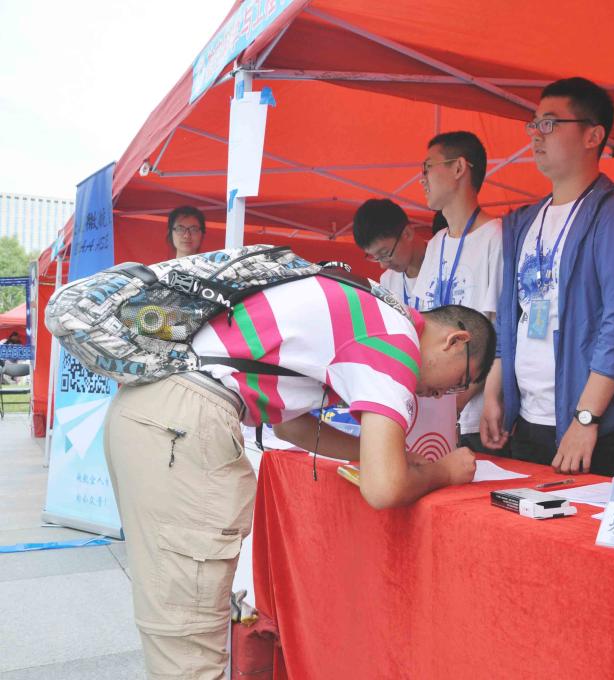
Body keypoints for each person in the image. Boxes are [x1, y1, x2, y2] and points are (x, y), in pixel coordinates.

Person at [104, 271, 496, 679]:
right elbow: (384, 488)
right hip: (183, 424)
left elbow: (291, 426)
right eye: (459, 383)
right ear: (456, 341)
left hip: (153, 410)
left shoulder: (371, 309)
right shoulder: (396, 342)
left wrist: (387, 456)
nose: (443, 395)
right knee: (189, 639)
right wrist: (444, 471)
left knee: (172, 617)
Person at [480, 76, 614, 478]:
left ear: (593, 135)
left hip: (595, 428)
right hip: (528, 420)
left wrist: (586, 417)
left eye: (550, 123)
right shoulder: (524, 222)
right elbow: (511, 319)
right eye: (533, 124)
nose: (536, 135)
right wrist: (494, 393)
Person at [414, 131, 503, 453]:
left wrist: (458, 403)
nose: (421, 179)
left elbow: (499, 336)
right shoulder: (435, 244)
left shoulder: (496, 237)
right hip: (428, 414)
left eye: (427, 167)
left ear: (458, 168)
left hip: (475, 419)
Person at [353, 198, 428, 309]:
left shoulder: (445, 261)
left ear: (407, 234)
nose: (383, 265)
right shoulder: (388, 282)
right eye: (376, 258)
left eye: (385, 253)